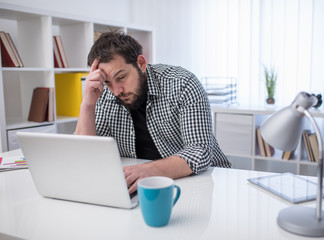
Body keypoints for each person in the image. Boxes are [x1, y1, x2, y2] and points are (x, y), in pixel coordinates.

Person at [75, 32, 231, 194]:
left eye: (121, 77)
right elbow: (87, 154)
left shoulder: (182, 83)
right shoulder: (102, 92)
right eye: (107, 82)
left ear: (141, 63)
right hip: (142, 185)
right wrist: (88, 103)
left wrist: (148, 170)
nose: (116, 90)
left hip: (206, 181)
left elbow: (200, 151)